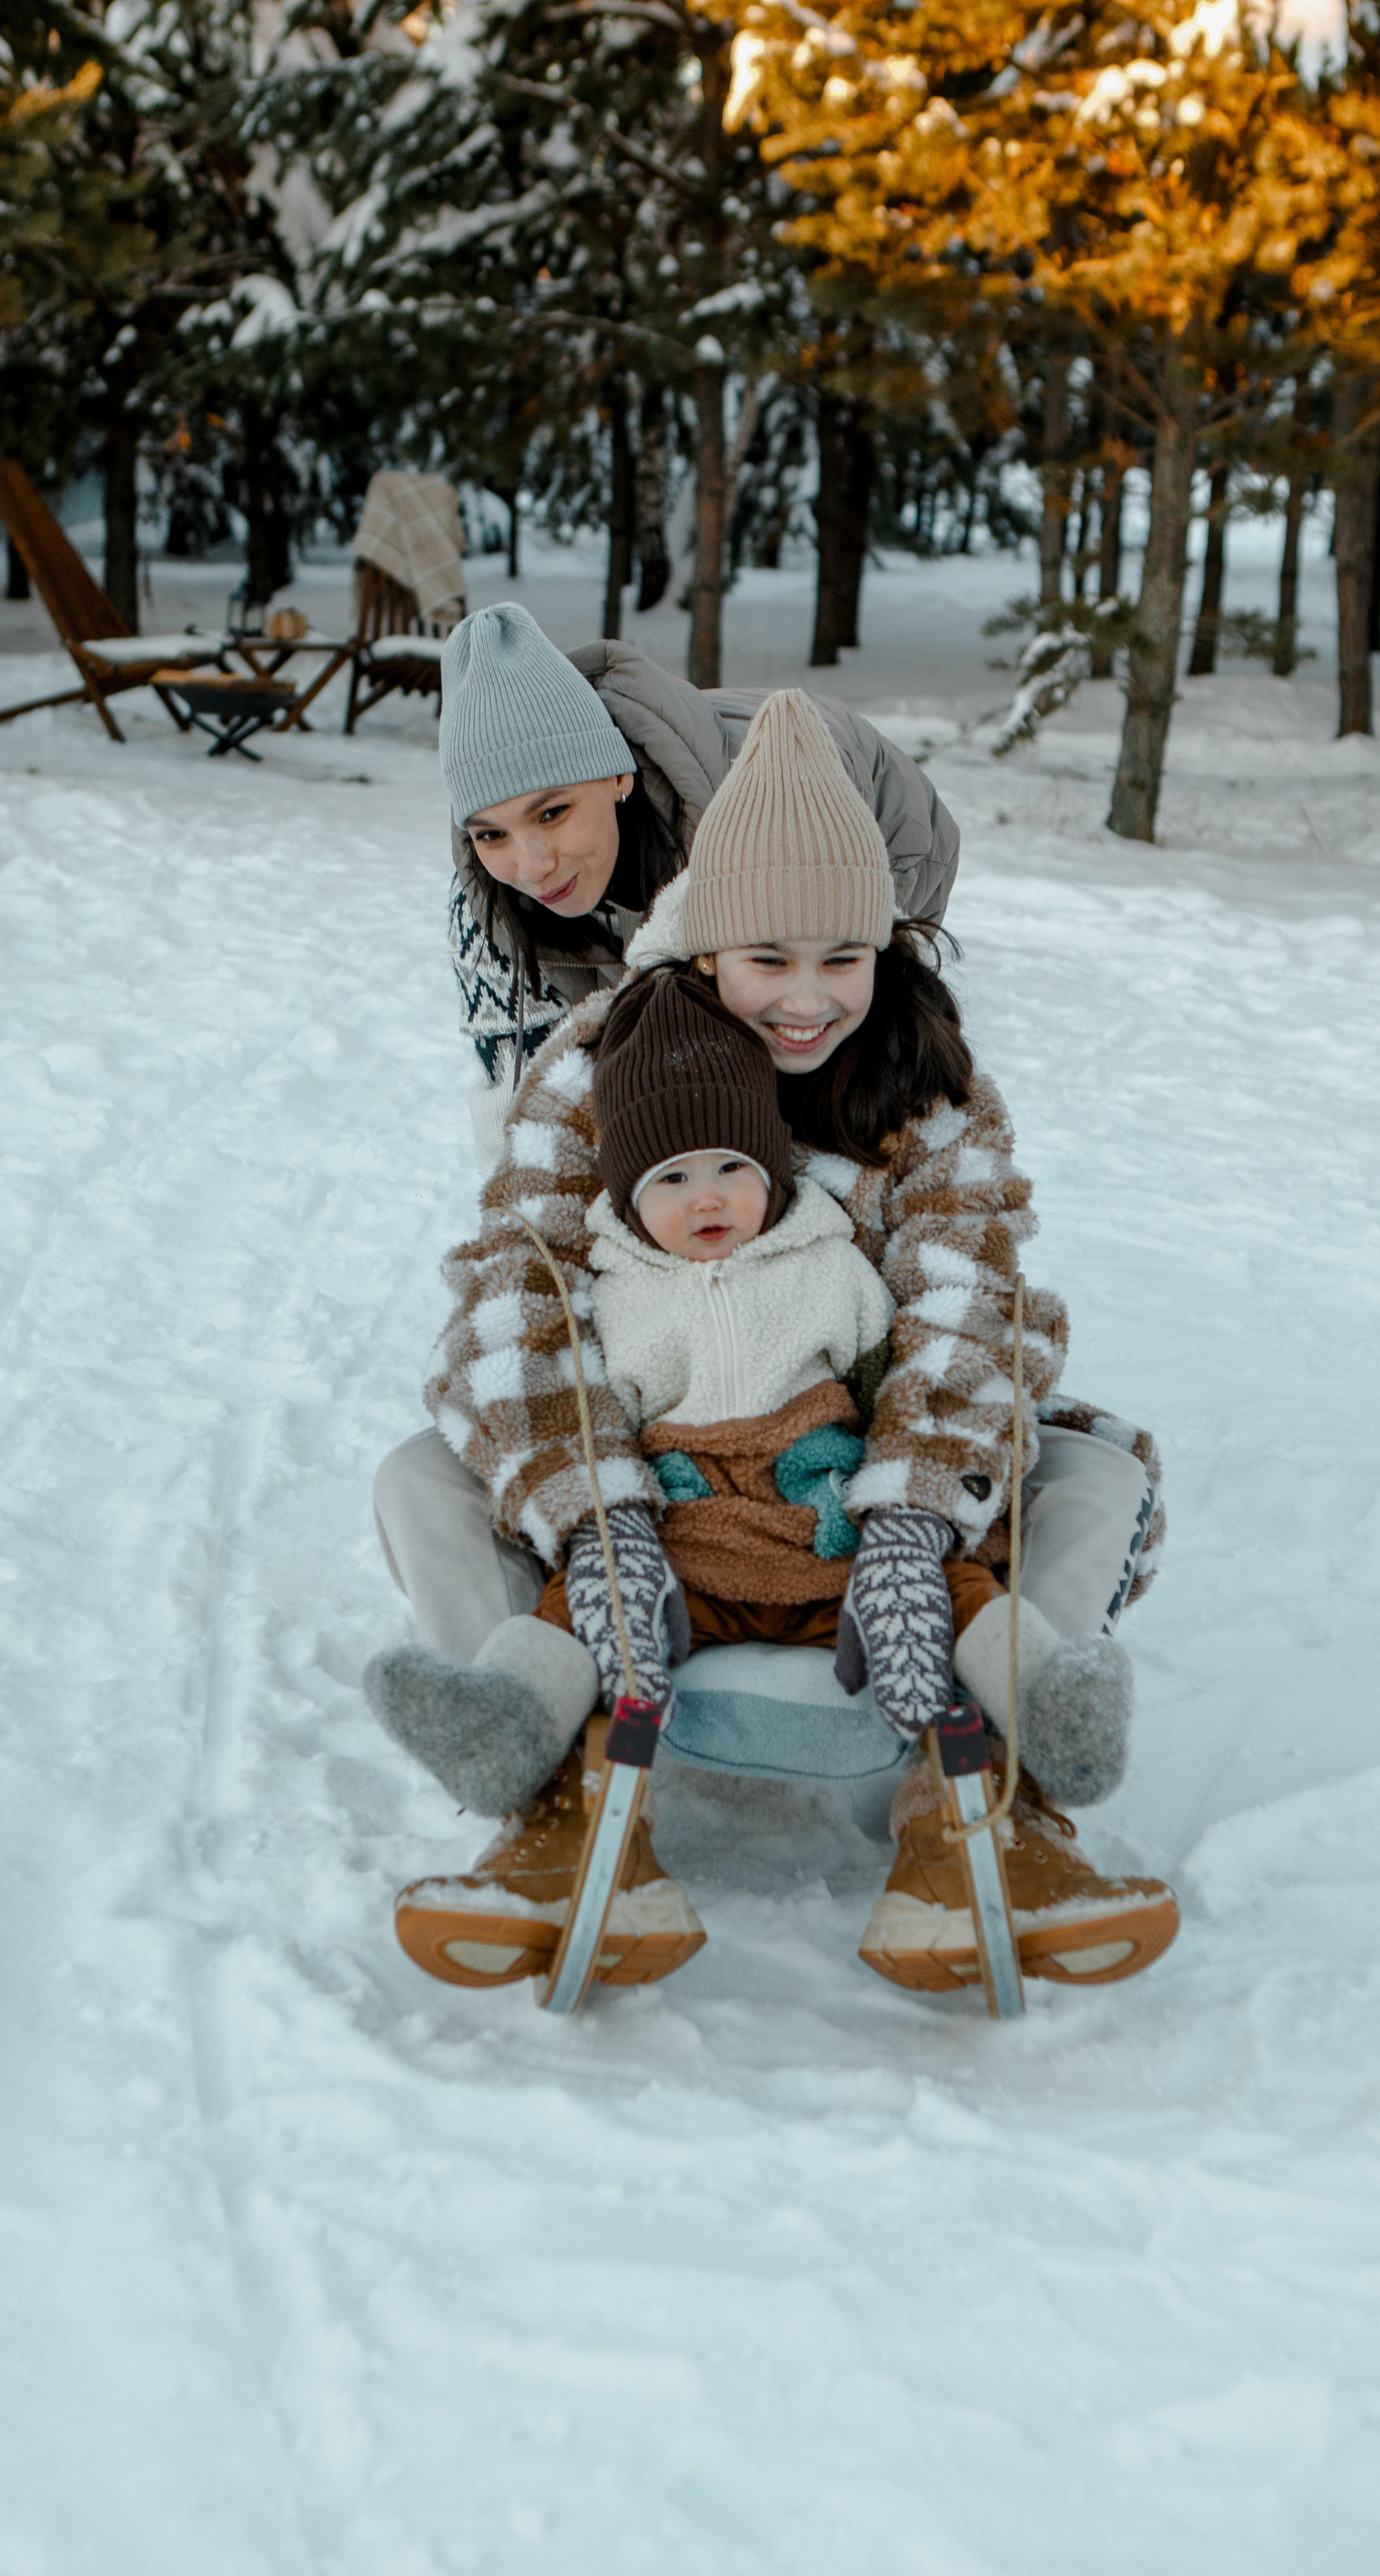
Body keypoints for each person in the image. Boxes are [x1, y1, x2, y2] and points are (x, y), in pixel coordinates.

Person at [368, 668, 1173, 1996]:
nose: (806, 1001)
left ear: (886, 953)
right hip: (656, 1484)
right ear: (701, 954)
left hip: (853, 1496)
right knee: (419, 1476)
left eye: (842, 960)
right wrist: (598, 1516)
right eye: (767, 963)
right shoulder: (596, 1061)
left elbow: (975, 1310)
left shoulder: (927, 1085)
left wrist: (913, 1518)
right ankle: (560, 1812)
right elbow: (520, 1295)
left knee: (1094, 1475)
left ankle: (981, 1807)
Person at [439, 601, 961, 1175]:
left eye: (552, 813)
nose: (531, 865)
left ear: (617, 776)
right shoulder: (486, 895)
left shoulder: (745, 836)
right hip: (683, 848)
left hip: (883, 823)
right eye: (492, 833)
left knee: (807, 1053)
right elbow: (523, 1105)